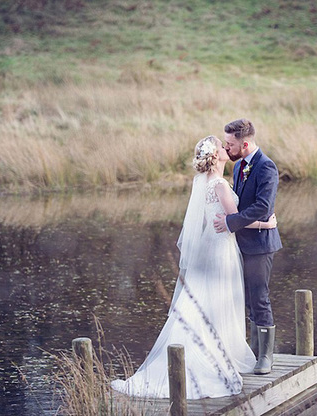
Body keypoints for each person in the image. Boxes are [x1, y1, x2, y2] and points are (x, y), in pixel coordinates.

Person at [111, 135, 277, 399]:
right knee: (218, 302)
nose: (226, 149)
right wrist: (266, 225)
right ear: (216, 156)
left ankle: (213, 350)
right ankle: (216, 357)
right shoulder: (220, 185)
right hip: (221, 250)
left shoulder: (203, 183)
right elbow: (236, 220)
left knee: (203, 302)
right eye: (223, 147)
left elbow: (214, 220)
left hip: (207, 248)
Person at [213, 118, 282, 375]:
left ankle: (266, 357)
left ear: (244, 144)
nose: (227, 149)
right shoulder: (239, 165)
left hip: (260, 246)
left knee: (259, 298)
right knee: (248, 301)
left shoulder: (266, 167)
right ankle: (253, 351)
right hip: (240, 243)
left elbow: (264, 207)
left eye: (230, 144)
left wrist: (231, 222)